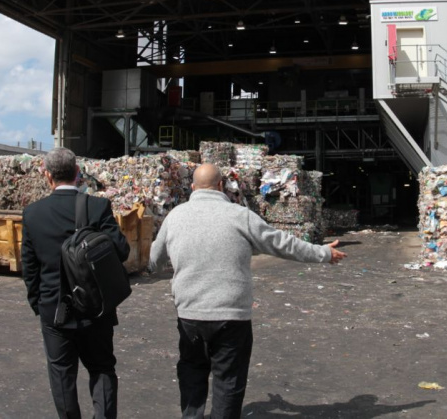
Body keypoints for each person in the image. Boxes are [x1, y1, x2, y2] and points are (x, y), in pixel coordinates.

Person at [149, 163, 347, 419]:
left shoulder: (175, 216)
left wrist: (164, 264)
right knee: (228, 381)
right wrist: (322, 253)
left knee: (191, 372)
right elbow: (281, 243)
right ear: (221, 186)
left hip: (190, 315)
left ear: (193, 187)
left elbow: (154, 260)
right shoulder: (240, 215)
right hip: (232, 316)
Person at [21, 147, 130, 419]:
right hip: (96, 307)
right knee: (102, 368)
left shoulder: (33, 213)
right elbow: (122, 251)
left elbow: (30, 267)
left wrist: (39, 304)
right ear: (78, 173)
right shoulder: (97, 207)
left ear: (47, 175)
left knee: (61, 375)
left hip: (54, 310)